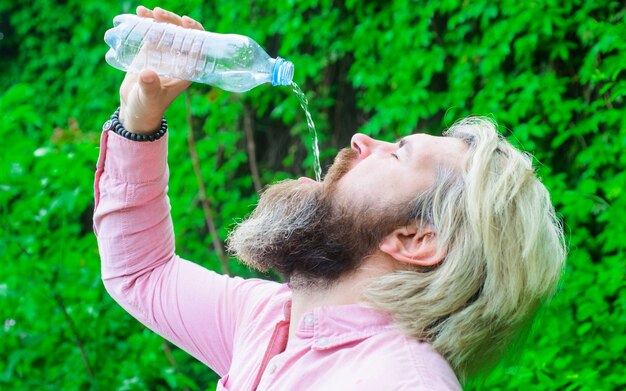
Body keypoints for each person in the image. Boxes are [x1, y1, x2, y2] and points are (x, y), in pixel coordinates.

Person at [94, 6, 566, 390]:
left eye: (399, 153)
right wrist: (139, 120)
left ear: (416, 238)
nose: (362, 139)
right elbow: (142, 273)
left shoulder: (399, 383)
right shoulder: (268, 319)